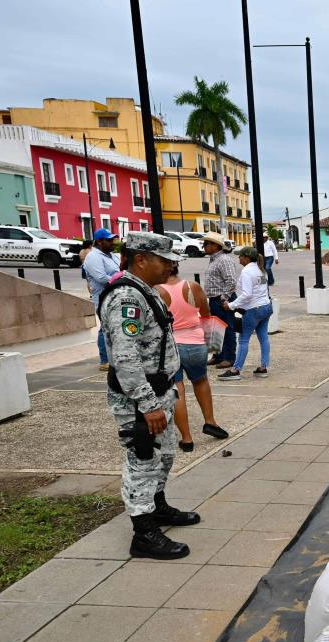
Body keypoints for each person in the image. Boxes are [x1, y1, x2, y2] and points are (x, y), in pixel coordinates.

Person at [98, 231, 200, 560]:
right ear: (141, 259)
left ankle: (157, 507)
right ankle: (143, 532)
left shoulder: (146, 291)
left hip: (159, 391)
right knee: (143, 459)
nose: (170, 266)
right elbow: (125, 357)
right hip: (140, 399)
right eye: (165, 260)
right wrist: (147, 404)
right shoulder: (127, 297)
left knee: (165, 454)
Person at [155, 266, 230, 452]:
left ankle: (187, 439)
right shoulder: (192, 286)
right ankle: (210, 422)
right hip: (196, 343)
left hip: (171, 345)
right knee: (201, 381)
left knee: (177, 389)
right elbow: (205, 313)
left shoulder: (156, 291)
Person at [219, 247, 273, 381]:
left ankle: (236, 370)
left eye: (240, 256)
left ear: (247, 258)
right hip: (266, 307)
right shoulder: (261, 270)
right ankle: (263, 367)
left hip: (252, 310)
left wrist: (231, 305)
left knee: (243, 340)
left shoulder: (247, 271)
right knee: (263, 338)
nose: (238, 258)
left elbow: (247, 294)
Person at [82, 228, 121, 370]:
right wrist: (121, 280)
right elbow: (102, 278)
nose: (112, 242)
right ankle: (105, 360)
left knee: (112, 327)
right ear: (99, 241)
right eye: (109, 240)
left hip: (116, 296)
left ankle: (112, 357)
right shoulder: (93, 257)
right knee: (105, 328)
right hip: (104, 298)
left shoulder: (112, 256)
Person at [201, 232, 241, 369]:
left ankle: (229, 357)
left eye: (207, 244)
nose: (204, 246)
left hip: (221, 299)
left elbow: (231, 281)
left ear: (216, 246)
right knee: (216, 330)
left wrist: (224, 299)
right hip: (214, 298)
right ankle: (218, 356)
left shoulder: (224, 260)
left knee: (227, 328)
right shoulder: (214, 259)